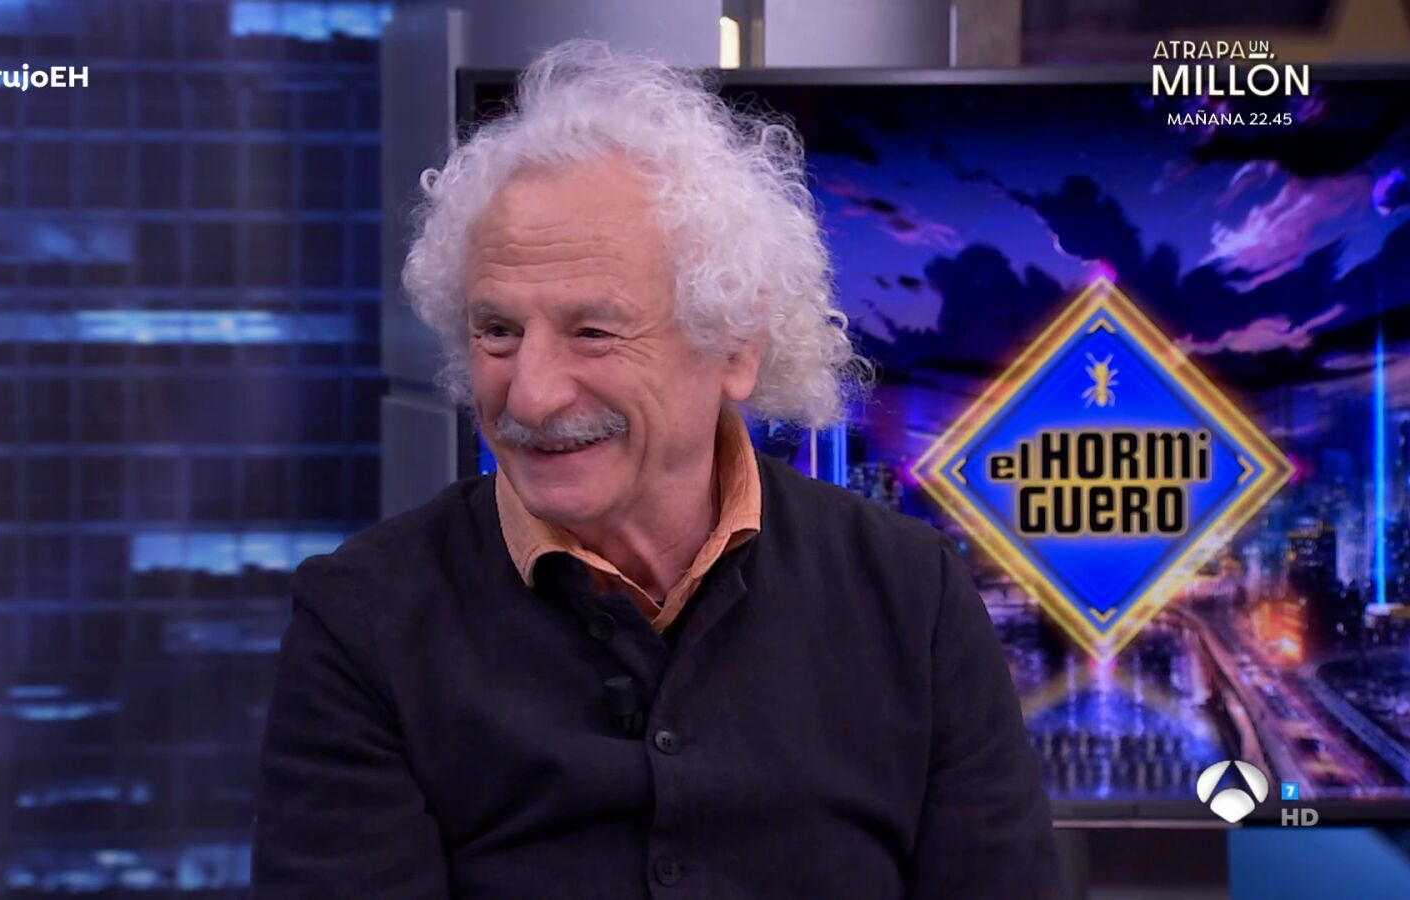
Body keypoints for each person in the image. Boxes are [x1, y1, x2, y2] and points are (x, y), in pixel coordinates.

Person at [253, 39, 1063, 899]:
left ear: (735, 348)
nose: (531, 394)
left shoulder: (912, 598)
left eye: (593, 333)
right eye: (498, 332)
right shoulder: (364, 622)